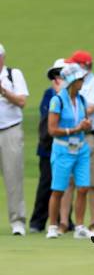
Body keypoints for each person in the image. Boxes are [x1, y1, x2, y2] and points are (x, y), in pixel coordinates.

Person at [63, 50, 94, 235]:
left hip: (91, 136)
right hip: (73, 136)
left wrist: (69, 110)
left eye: (74, 65)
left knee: (92, 182)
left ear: (84, 66)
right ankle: (64, 222)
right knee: (69, 181)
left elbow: (90, 108)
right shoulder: (70, 84)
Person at [45, 63, 91, 239]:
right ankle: (52, 226)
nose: (82, 82)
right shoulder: (57, 100)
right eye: (80, 79)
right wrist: (74, 130)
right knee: (58, 190)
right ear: (72, 81)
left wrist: (86, 126)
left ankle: (79, 227)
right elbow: (52, 129)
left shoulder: (81, 100)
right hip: (62, 150)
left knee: (83, 188)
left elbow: (84, 123)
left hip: (81, 149)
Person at [29, 59, 65, 232]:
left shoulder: (72, 97)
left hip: (65, 146)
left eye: (61, 74)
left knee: (64, 184)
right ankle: (38, 221)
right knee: (46, 183)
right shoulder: (49, 94)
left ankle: (64, 220)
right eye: (56, 75)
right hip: (47, 146)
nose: (58, 78)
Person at [0, 43, 29, 236]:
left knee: (13, 177)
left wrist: (3, 91)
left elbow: (21, 101)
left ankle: (17, 221)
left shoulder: (13, 75)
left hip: (10, 131)